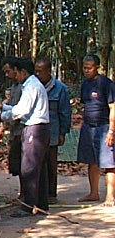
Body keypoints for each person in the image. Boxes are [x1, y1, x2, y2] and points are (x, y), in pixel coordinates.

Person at [1, 58, 50, 217]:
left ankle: (28, 206)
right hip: (39, 128)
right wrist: (4, 107)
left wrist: (4, 115)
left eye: (16, 72)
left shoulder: (31, 87)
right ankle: (41, 204)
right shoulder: (31, 85)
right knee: (38, 168)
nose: (15, 76)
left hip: (34, 128)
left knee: (29, 168)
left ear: (23, 72)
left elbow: (22, 110)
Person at [76, 54, 115, 206]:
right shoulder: (85, 84)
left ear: (97, 67)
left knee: (109, 162)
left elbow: (113, 107)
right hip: (88, 126)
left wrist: (111, 131)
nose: (86, 70)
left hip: (104, 127)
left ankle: (110, 196)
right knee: (91, 160)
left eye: (89, 68)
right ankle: (94, 193)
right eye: (84, 68)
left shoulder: (106, 84)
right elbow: (84, 104)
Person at [34, 57, 72, 203]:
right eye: (36, 71)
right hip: (36, 132)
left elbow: (65, 112)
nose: (37, 74)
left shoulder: (60, 89)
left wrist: (63, 132)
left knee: (50, 163)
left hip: (52, 132)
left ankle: (51, 194)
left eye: (40, 71)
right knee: (36, 163)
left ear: (48, 71)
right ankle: (37, 193)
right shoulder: (33, 86)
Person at [0, 57, 24, 179]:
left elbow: (18, 112)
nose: (6, 75)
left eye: (8, 71)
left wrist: (2, 116)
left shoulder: (25, 87)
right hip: (15, 131)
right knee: (17, 165)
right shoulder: (14, 87)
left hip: (22, 131)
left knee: (24, 165)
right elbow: (13, 108)